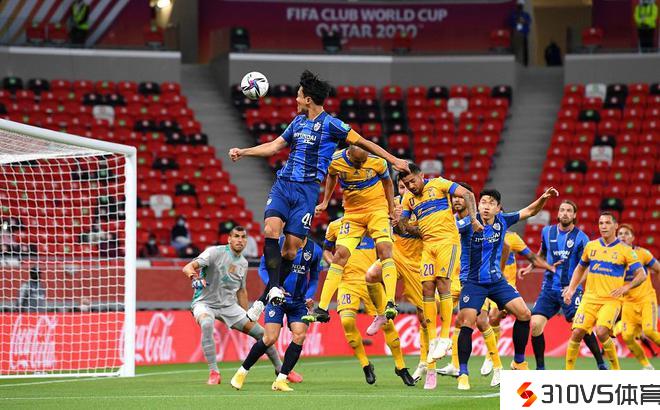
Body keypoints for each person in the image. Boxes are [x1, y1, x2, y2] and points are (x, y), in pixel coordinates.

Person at [229, 70, 409, 318]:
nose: (295, 99)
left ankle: (264, 297)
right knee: (270, 230)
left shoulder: (332, 125)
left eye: (298, 95)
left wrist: (393, 159)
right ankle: (273, 289)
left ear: (308, 99)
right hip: (284, 184)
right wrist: (244, 151)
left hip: (307, 192)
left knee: (290, 251)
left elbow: (364, 143)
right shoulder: (297, 122)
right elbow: (274, 146)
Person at [454, 187, 558, 390]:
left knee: (524, 314)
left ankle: (518, 362)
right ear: (477, 205)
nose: (486, 206)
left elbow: (530, 211)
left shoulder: (503, 221)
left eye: (491, 203)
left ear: (498, 208)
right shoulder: (467, 223)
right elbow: (445, 232)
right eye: (483, 202)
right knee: (467, 322)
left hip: (497, 281)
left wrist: (543, 198)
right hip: (473, 283)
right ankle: (463, 373)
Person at [182, 226, 292, 385]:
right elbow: (188, 267)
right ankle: (214, 372)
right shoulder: (214, 252)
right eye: (236, 236)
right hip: (204, 303)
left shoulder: (243, 263)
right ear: (229, 239)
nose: (240, 240)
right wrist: (194, 277)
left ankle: (280, 369)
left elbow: (241, 290)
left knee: (262, 333)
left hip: (229, 306)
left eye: (243, 237)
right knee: (206, 323)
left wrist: (248, 314)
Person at [396, 164, 481, 366]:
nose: (411, 186)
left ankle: (445, 338)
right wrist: (404, 223)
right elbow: (404, 226)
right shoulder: (408, 199)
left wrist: (474, 219)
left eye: (412, 181)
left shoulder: (439, 184)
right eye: (407, 184)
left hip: (447, 243)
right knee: (427, 288)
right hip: (428, 246)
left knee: (443, 283)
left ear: (421, 175)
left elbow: (467, 194)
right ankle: (433, 339)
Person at [308, 145, 398, 323]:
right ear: (348, 154)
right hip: (352, 214)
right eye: (357, 162)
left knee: (385, 250)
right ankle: (322, 309)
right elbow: (331, 176)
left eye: (363, 161)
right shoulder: (335, 160)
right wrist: (325, 202)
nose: (360, 165)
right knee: (339, 255)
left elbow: (388, 183)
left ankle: (390, 303)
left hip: (377, 210)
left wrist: (391, 209)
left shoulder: (378, 162)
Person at [365, 176, 439, 388]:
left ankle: (430, 367)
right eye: (401, 187)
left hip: (417, 263)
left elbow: (426, 233)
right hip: (396, 256)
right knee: (371, 275)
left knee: (426, 318)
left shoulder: (425, 204)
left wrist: (403, 223)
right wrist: (392, 221)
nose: (404, 190)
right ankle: (381, 313)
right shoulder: (393, 204)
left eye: (408, 186)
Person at [321, 218, 414, 387]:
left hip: (370, 281)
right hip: (347, 283)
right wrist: (334, 263)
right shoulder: (334, 226)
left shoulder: (372, 221)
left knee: (387, 323)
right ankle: (365, 364)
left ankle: (400, 366)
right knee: (347, 322)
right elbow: (326, 250)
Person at [519, 200, 607, 370]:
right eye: (562, 210)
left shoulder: (582, 238)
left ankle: (601, 364)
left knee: (581, 327)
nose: (565, 213)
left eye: (569, 211)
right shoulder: (547, 232)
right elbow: (542, 253)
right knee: (535, 324)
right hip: (549, 288)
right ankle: (540, 369)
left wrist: (573, 287)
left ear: (574, 215)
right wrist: (530, 267)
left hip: (571, 290)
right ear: (558, 214)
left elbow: (587, 267)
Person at [230, 236, 319, 392]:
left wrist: (308, 296)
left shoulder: (315, 250)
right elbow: (263, 268)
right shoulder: (278, 243)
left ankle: (281, 380)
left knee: (300, 336)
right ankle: (241, 372)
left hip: (299, 302)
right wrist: (274, 287)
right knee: (270, 338)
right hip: (277, 298)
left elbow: (314, 278)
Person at [437, 182, 503, 389]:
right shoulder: (450, 220)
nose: (457, 200)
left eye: (461, 197)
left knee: (481, 321)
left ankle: (497, 366)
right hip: (454, 278)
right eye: (454, 197)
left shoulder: (476, 221)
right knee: (452, 318)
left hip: (474, 280)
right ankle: (454, 364)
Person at [562, 213, 646, 370]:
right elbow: (580, 268)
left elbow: (642, 274)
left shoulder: (625, 250)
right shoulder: (591, 246)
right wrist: (571, 289)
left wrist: (626, 287)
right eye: (601, 223)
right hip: (589, 299)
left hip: (611, 300)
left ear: (615, 226)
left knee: (601, 332)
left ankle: (615, 370)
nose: (604, 226)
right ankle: (568, 371)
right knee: (577, 332)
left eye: (607, 223)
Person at [482, 228, 557, 375]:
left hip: (505, 285)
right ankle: (489, 357)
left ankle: (505, 359)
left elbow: (532, 256)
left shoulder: (512, 237)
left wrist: (550, 267)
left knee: (498, 315)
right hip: (485, 281)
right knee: (484, 319)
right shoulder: (481, 234)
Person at [616, 223, 660, 369]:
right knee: (627, 336)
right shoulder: (614, 258)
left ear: (632, 238)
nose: (623, 236)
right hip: (628, 303)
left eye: (626, 233)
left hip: (646, 299)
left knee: (649, 332)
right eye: (620, 233)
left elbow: (658, 268)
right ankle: (647, 366)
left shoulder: (643, 254)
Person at [509, 0, 532, 66]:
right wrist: (516, 21)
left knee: (524, 50)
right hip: (515, 34)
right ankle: (514, 64)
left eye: (521, 5)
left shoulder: (526, 15)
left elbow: (528, 22)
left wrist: (523, 21)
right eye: (519, 5)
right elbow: (510, 23)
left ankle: (525, 65)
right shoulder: (513, 14)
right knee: (515, 50)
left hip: (523, 34)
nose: (520, 7)